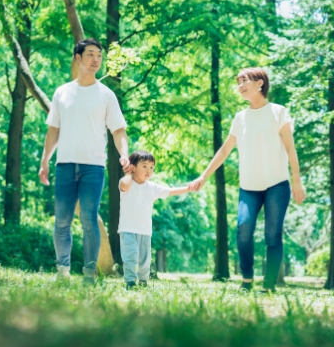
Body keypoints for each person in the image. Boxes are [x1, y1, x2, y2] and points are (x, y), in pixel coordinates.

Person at [189, 67, 305, 293]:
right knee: (243, 229)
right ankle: (247, 279)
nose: (240, 86)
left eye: (245, 81)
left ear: (260, 83)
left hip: (277, 185)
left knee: (272, 235)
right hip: (249, 187)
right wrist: (204, 176)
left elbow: (291, 150)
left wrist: (296, 181)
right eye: (238, 82)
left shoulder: (279, 112)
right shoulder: (240, 118)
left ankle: (269, 285)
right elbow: (224, 151)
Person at [39, 38, 130, 283]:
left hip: (93, 167)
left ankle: (89, 273)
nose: (95, 59)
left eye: (99, 56)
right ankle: (63, 271)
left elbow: (118, 130)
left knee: (89, 218)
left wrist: (124, 154)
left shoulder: (106, 95)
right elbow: (53, 130)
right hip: (65, 165)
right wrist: (45, 160)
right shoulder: (62, 92)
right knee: (62, 220)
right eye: (90, 54)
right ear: (78, 58)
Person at [118, 150, 190, 288]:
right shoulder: (126, 182)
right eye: (144, 166)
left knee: (145, 260)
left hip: (145, 231)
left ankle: (143, 281)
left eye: (151, 167)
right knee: (130, 257)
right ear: (133, 167)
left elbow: (169, 191)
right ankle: (130, 281)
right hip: (127, 229)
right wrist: (128, 172)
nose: (148, 171)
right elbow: (124, 185)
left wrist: (188, 188)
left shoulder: (152, 187)